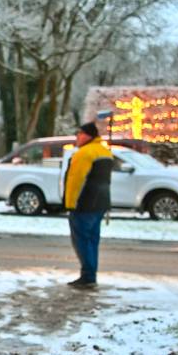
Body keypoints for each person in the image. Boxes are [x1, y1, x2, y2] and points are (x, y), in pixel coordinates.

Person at [64, 119, 114, 289]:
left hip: (84, 204)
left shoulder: (84, 154)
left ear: (87, 135)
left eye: (79, 134)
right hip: (100, 203)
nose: (77, 137)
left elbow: (75, 180)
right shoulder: (105, 152)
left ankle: (87, 275)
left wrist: (70, 203)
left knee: (82, 241)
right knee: (93, 240)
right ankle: (91, 274)